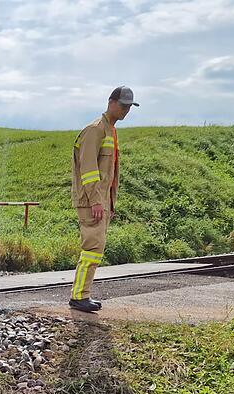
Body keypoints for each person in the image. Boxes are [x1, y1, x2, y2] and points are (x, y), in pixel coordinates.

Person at [69, 86, 138, 313]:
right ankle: (79, 296)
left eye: (129, 107)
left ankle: (81, 294)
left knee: (96, 248)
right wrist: (96, 201)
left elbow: (109, 174)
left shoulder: (110, 131)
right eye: (123, 105)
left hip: (101, 201)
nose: (126, 110)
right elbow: (89, 170)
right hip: (91, 201)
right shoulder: (95, 130)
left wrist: (109, 203)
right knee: (92, 247)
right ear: (111, 102)